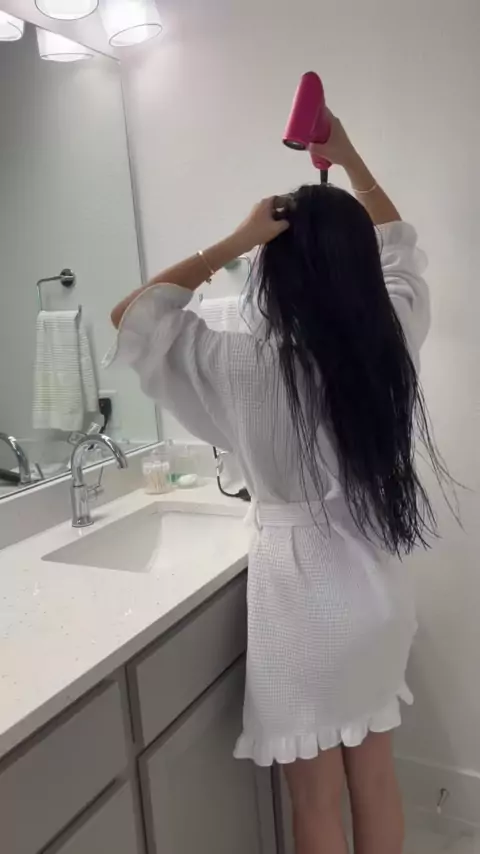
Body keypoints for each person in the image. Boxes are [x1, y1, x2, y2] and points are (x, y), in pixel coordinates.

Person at [110, 115, 439, 854]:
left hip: (301, 607)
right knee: (375, 780)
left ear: (274, 272)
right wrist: (347, 156)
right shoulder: (389, 339)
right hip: (378, 597)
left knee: (315, 802)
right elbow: (398, 246)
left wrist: (234, 241)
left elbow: (133, 316)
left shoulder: (242, 366)